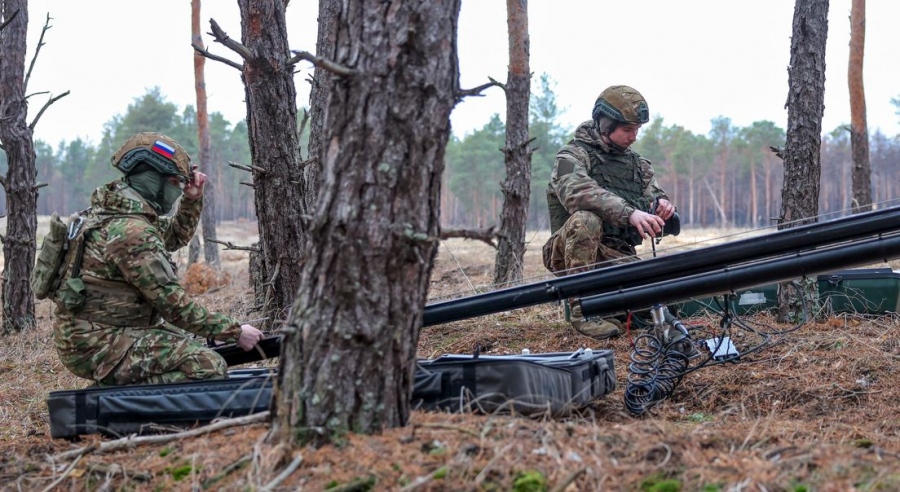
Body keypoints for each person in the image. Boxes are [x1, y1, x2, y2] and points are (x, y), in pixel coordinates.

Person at [50, 132, 264, 386]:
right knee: (207, 366)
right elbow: (174, 306)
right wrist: (235, 332)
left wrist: (191, 199)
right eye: (175, 183)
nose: (178, 190)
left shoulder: (118, 214)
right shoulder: (130, 231)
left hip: (97, 333)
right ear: (153, 181)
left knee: (190, 348)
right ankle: (104, 403)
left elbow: (173, 237)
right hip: (97, 343)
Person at [543, 85, 676, 340]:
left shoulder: (638, 165)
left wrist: (662, 207)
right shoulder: (572, 156)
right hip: (568, 253)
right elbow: (577, 192)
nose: (634, 136)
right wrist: (630, 214)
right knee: (586, 219)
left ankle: (612, 309)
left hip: (616, 255)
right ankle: (582, 310)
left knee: (658, 300)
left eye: (637, 130)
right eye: (628, 130)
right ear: (605, 125)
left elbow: (654, 196)